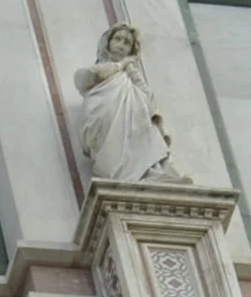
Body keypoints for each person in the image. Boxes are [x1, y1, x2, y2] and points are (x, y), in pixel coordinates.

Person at [72, 21, 177, 185]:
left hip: (133, 124)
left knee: (142, 129)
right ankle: (122, 175)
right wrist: (122, 65)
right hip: (101, 116)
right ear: (108, 42)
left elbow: (147, 97)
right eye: (118, 39)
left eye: (127, 43)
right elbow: (94, 75)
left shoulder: (130, 77)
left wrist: (131, 70)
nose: (121, 45)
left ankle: (148, 173)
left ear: (131, 50)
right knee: (113, 150)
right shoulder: (99, 71)